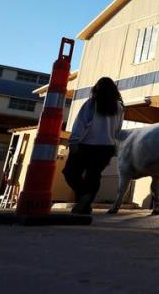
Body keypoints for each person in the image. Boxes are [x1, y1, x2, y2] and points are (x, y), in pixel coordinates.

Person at [63, 77, 125, 214]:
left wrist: (73, 142)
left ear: (96, 89)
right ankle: (84, 203)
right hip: (106, 148)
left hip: (86, 146)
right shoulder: (119, 107)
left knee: (70, 172)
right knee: (94, 175)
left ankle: (83, 198)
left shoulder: (91, 104)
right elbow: (118, 129)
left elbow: (80, 124)